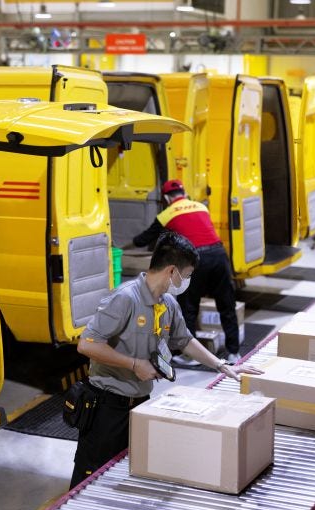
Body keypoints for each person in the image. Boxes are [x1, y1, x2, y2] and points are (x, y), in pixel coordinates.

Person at [69, 231, 262, 489]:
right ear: (172, 271)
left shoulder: (168, 303)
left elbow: (184, 340)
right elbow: (87, 344)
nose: (188, 281)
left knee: (126, 474)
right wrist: (134, 364)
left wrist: (222, 365)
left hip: (139, 404)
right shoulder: (125, 298)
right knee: (90, 479)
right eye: (187, 274)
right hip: (107, 407)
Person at [133, 179, 242, 364]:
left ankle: (190, 355)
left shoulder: (166, 214)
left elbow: (144, 239)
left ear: (167, 198)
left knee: (189, 306)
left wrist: (129, 243)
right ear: (184, 194)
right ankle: (234, 353)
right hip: (219, 255)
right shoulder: (201, 207)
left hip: (196, 258)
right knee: (226, 304)